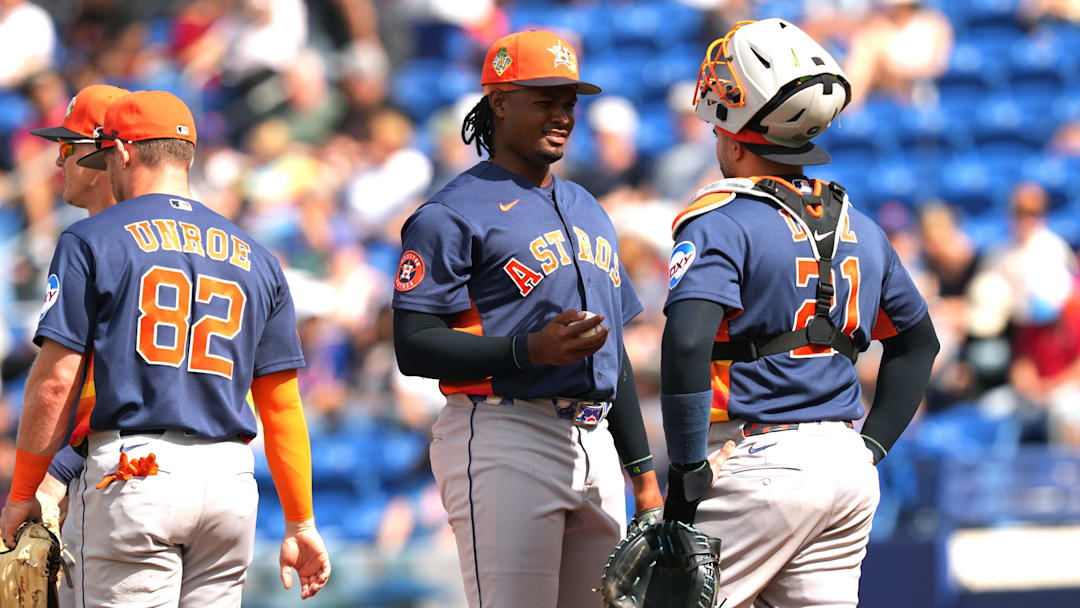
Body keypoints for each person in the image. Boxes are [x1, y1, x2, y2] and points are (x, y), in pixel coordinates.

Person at [0, 90, 331, 606]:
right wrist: (301, 520)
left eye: (103, 151)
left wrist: (23, 491)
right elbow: (283, 406)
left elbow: (56, 381)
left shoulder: (92, 239)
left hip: (135, 472)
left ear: (125, 152)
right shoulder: (258, 257)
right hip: (230, 479)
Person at [658, 19, 939, 607]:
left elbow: (686, 345)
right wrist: (874, 446)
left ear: (734, 141)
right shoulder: (859, 224)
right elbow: (919, 344)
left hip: (761, 460)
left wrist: (685, 480)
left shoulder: (722, 218)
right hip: (846, 465)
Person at [391, 30, 662, 608]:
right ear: (500, 101)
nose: (562, 114)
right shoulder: (450, 212)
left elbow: (609, 357)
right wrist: (527, 351)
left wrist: (644, 481)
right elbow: (413, 345)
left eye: (569, 101)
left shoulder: (589, 207)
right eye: (544, 99)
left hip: (595, 443)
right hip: (504, 432)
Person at [16, 83, 129, 528]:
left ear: (102, 155)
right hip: (222, 473)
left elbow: (56, 381)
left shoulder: (93, 242)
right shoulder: (204, 241)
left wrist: (44, 479)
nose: (58, 159)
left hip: (122, 471)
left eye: (67, 145)